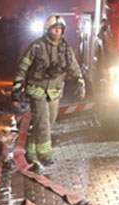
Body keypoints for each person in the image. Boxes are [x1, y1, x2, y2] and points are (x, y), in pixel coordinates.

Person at [12, 15, 83, 171]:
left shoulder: (65, 48)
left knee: (48, 123)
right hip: (37, 90)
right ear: (47, 30)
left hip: (55, 92)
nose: (57, 32)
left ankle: (31, 149)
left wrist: (80, 82)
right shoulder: (37, 47)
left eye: (60, 29)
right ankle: (45, 155)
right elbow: (23, 66)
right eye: (54, 29)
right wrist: (17, 86)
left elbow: (74, 66)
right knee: (43, 122)